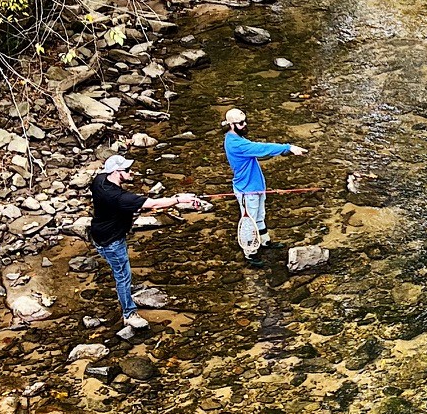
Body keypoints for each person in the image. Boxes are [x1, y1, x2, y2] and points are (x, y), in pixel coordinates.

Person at [88, 153, 205, 337]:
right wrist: (179, 199)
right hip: (111, 241)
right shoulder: (118, 197)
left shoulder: (99, 181)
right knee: (122, 276)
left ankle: (126, 293)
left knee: (120, 272)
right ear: (116, 172)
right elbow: (153, 203)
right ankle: (129, 313)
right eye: (127, 170)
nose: (131, 172)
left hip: (99, 234)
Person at [223, 107, 304, 259]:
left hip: (256, 186)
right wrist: (288, 147)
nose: (245, 125)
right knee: (249, 222)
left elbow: (260, 151)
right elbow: (261, 148)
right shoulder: (236, 144)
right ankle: (250, 252)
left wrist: (282, 152)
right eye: (241, 123)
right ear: (231, 125)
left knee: (260, 216)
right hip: (247, 190)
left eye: (245, 121)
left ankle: (265, 241)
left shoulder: (236, 138)